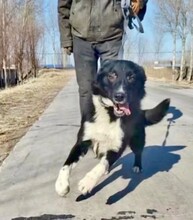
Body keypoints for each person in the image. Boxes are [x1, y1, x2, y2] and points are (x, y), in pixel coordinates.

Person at [58, 0, 147, 116]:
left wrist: (141, 2)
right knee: (86, 89)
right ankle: (88, 127)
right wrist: (66, 38)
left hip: (112, 36)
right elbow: (63, 7)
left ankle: (113, 128)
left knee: (115, 85)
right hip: (81, 37)